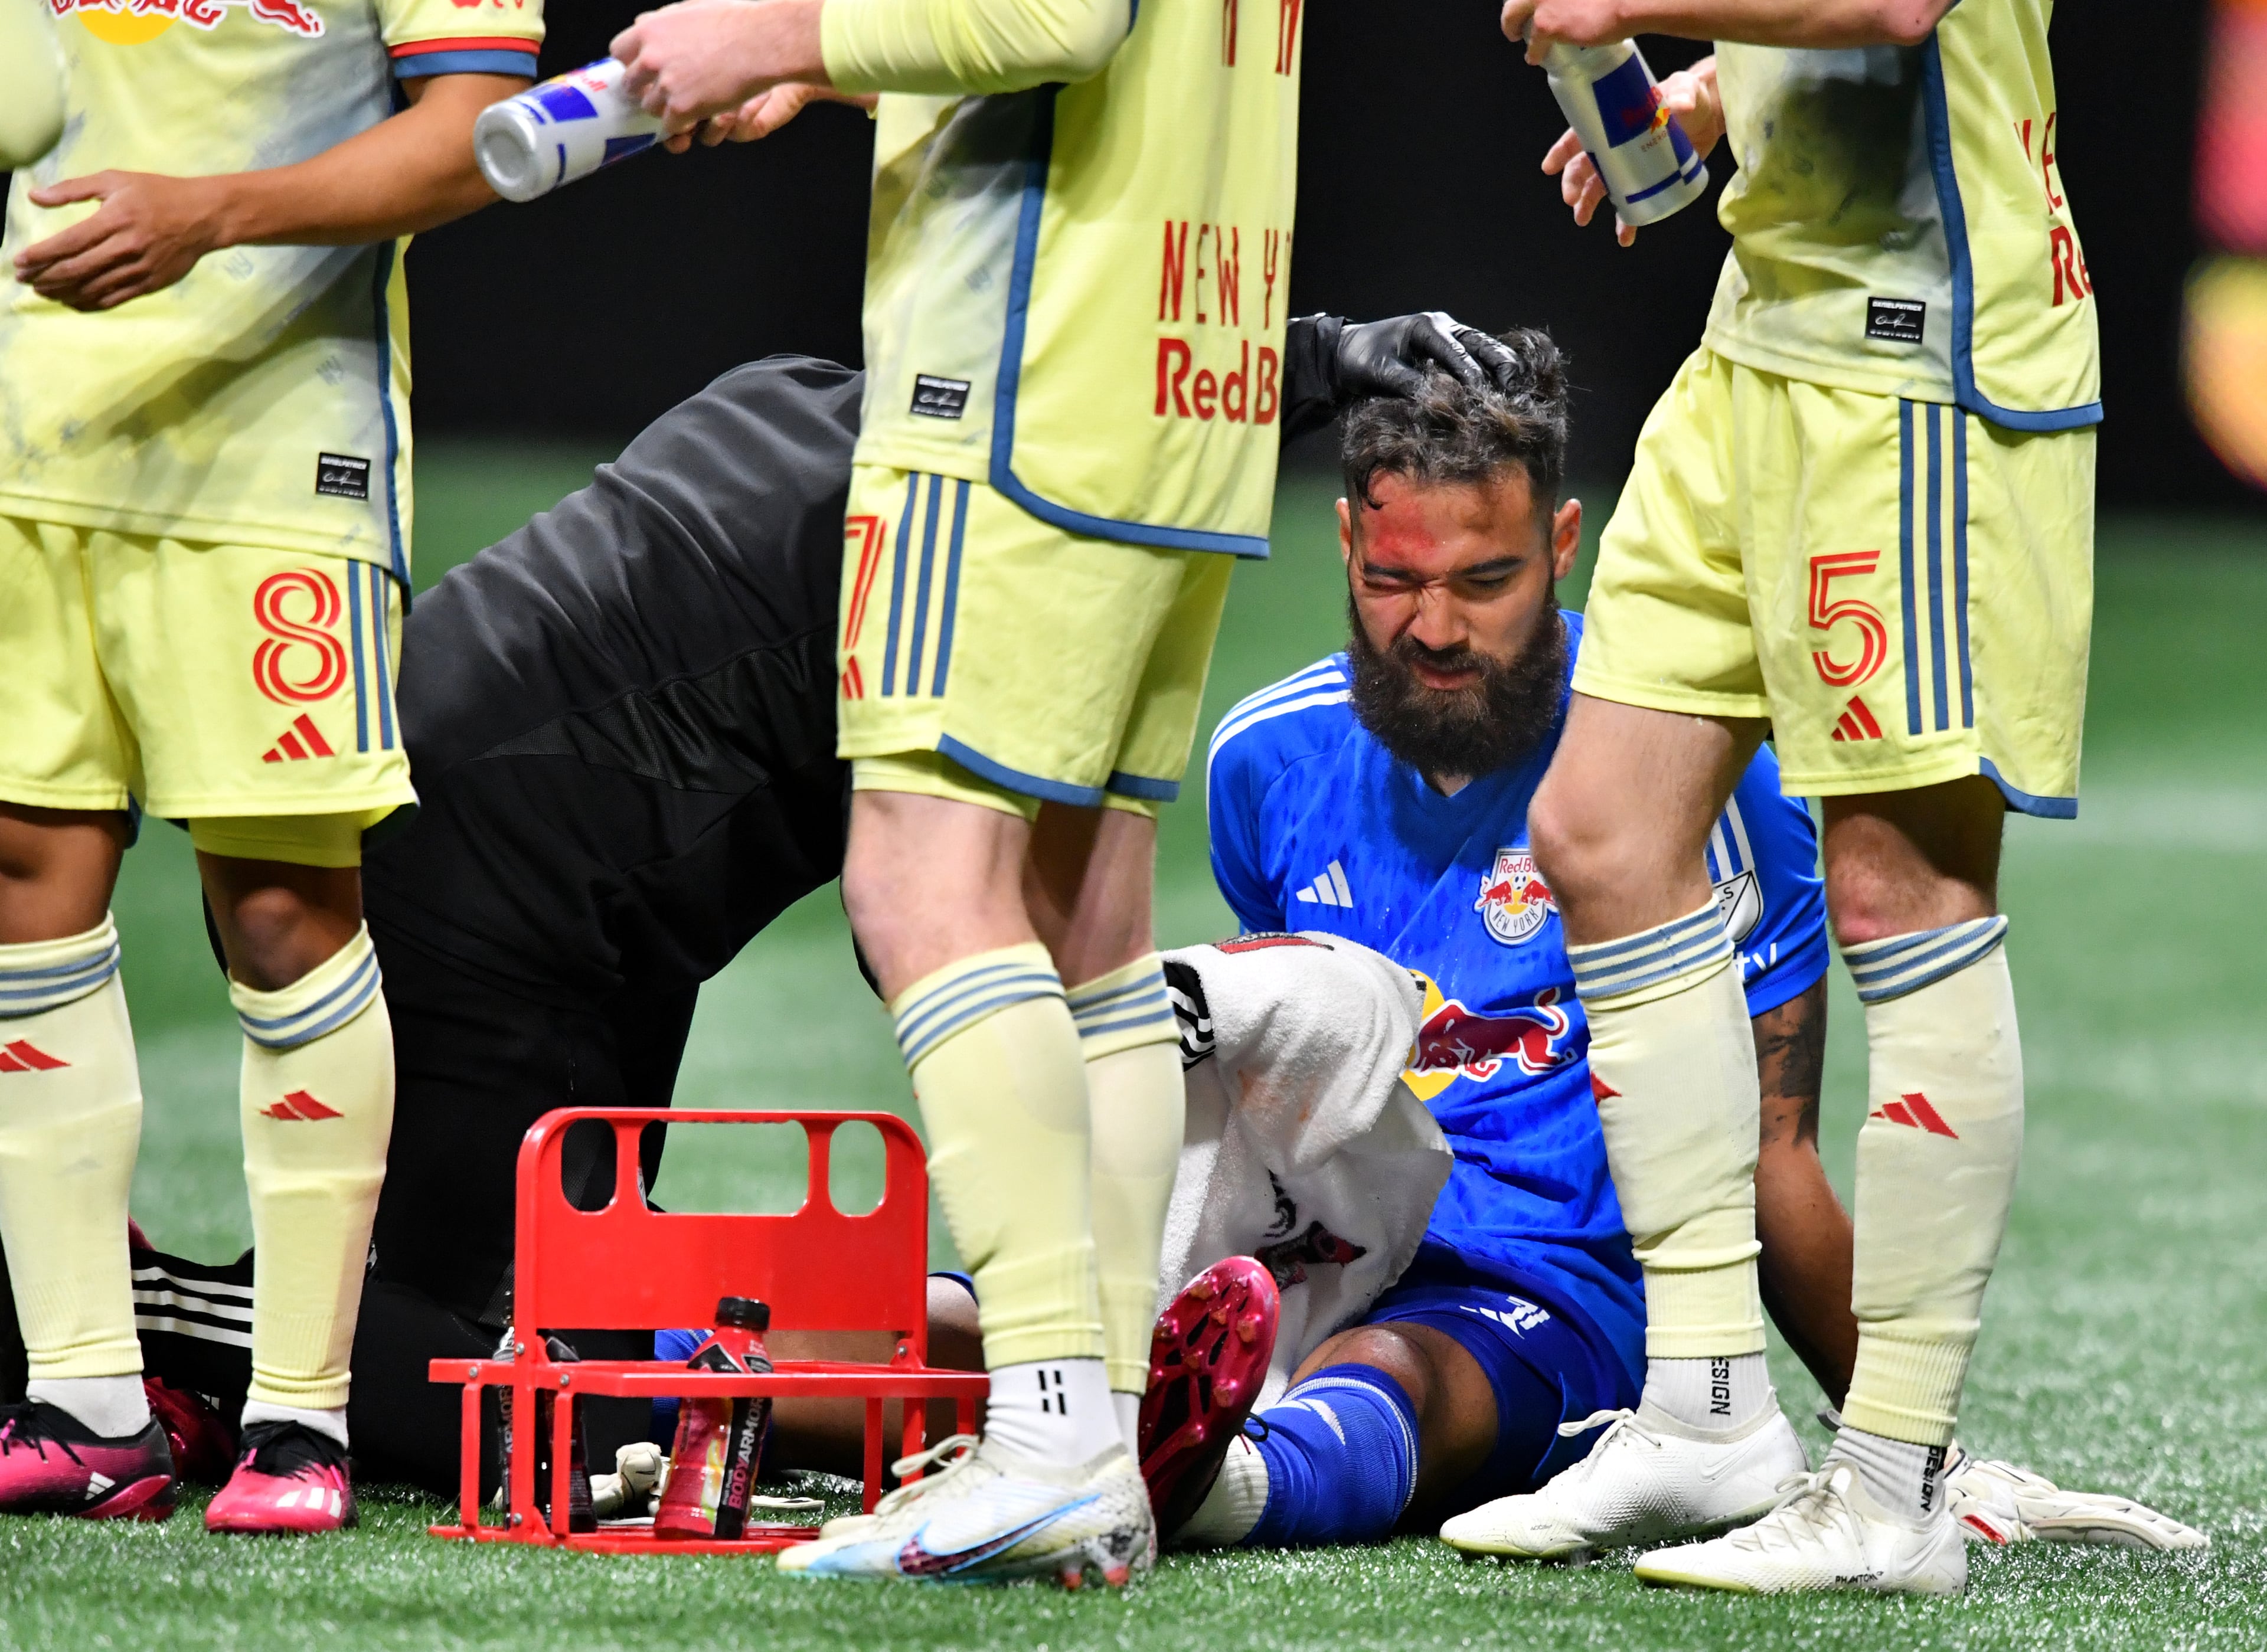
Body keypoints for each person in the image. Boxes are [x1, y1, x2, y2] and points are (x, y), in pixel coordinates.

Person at [2, 317, 1509, 1503]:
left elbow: (1105, 378)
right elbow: (933, 927)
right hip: (460, 894)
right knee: (545, 1401)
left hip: (555, 892)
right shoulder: (945, 557)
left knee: (590, 1318)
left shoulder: (895, 422)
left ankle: (1051, 1391)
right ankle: (160, 1317)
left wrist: (1314, 360)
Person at [1155, 344, 2199, 1561]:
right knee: (1004, 1321)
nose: (1434, 628)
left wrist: (1908, 1448)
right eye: (1393, 581)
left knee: (1383, 1367)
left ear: (1563, 543)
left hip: (1537, 1289)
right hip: (1307, 1241)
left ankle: (1223, 1481)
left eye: (1485, 580)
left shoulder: (1700, 774)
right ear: (1343, 543)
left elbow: (1773, 1145)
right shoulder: (1259, 758)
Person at [606, 0, 1314, 1586]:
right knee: (1088, 922)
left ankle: (1050, 1434)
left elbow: (1062, 13)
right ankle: (1108, 1435)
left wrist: (770, 26)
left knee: (926, 888)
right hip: (1179, 372)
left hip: (1016, 389)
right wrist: (834, 57)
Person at [1474, 0, 2101, 1595]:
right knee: (1601, 834)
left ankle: (1891, 1482)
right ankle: (1704, 1404)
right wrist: (1707, 93)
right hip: (1759, 337)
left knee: (1907, 892)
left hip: (1919, 364)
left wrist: (1637, 10)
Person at [0, 0, 543, 1533]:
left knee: (285, 913)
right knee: (23, 883)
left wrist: (210, 214)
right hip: (35, 436)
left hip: (268, 462)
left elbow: (477, 137)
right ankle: (87, 1397)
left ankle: (301, 1419)